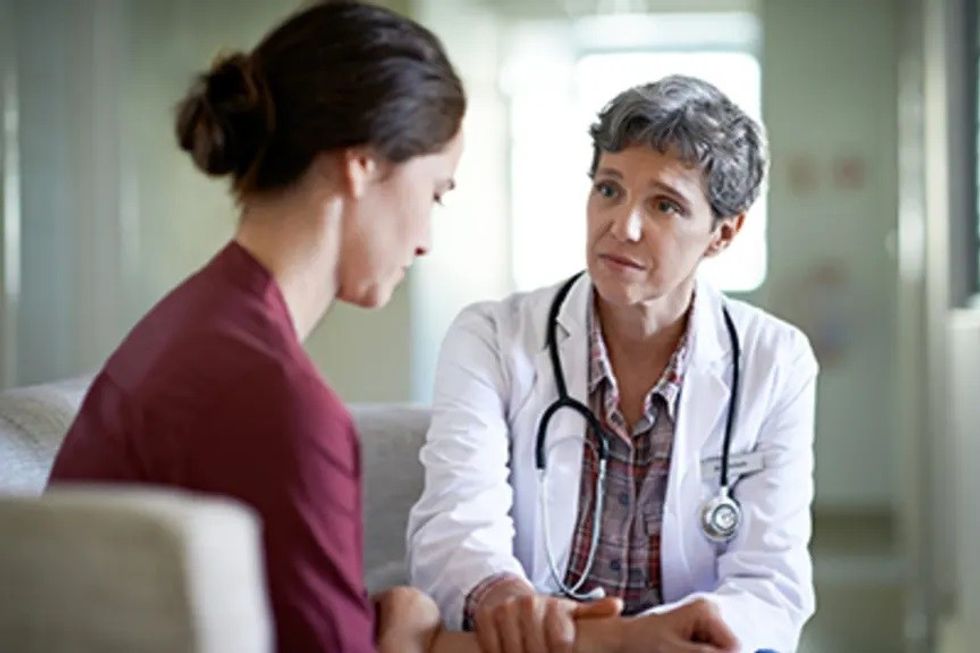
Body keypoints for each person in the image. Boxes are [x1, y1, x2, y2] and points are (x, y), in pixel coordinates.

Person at [46, 3, 737, 652]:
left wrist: (404, 621)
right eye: (435, 191)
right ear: (362, 164)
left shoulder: (196, 323)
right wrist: (401, 627)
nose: (426, 239)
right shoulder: (275, 402)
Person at [407, 75, 818, 653]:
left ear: (723, 234)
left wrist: (689, 633)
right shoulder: (493, 338)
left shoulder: (776, 361)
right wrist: (504, 597)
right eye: (609, 189)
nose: (622, 227)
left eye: (665, 205)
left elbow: (769, 582)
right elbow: (456, 525)